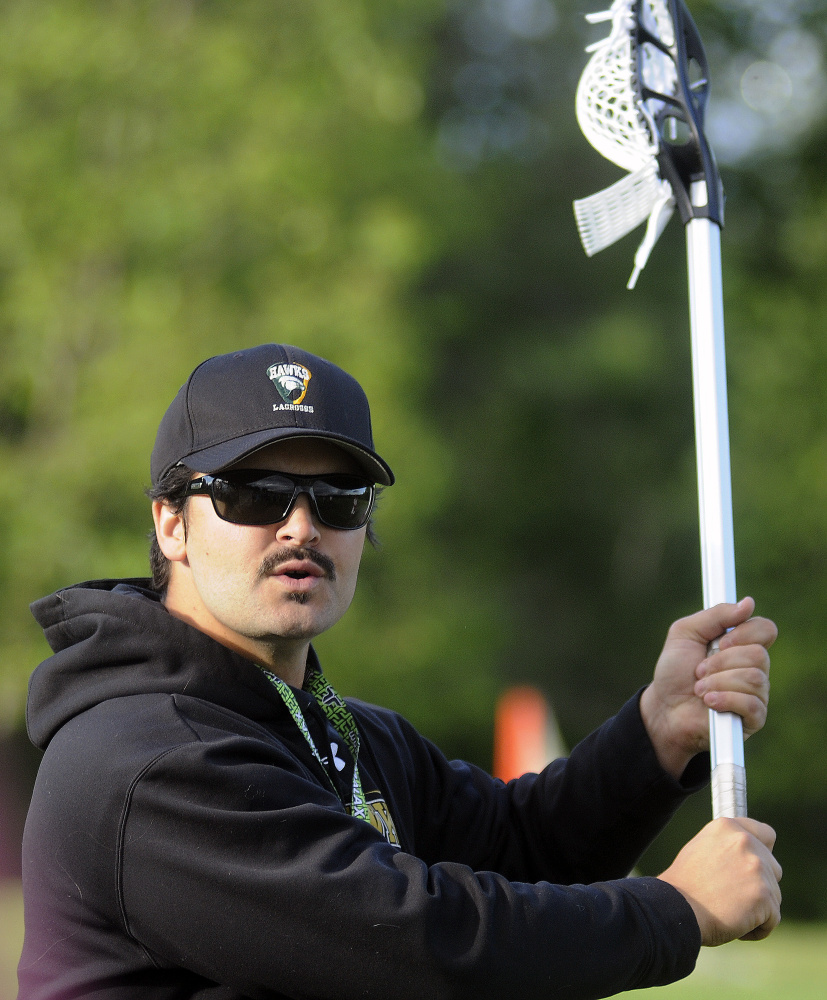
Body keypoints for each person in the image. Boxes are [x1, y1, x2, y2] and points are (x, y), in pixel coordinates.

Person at [19, 344, 780, 1000]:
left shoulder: (349, 734)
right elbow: (415, 949)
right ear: (170, 522)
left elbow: (522, 847)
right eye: (253, 494)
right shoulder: (145, 759)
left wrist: (655, 733)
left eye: (339, 498)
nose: (300, 526)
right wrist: (675, 910)